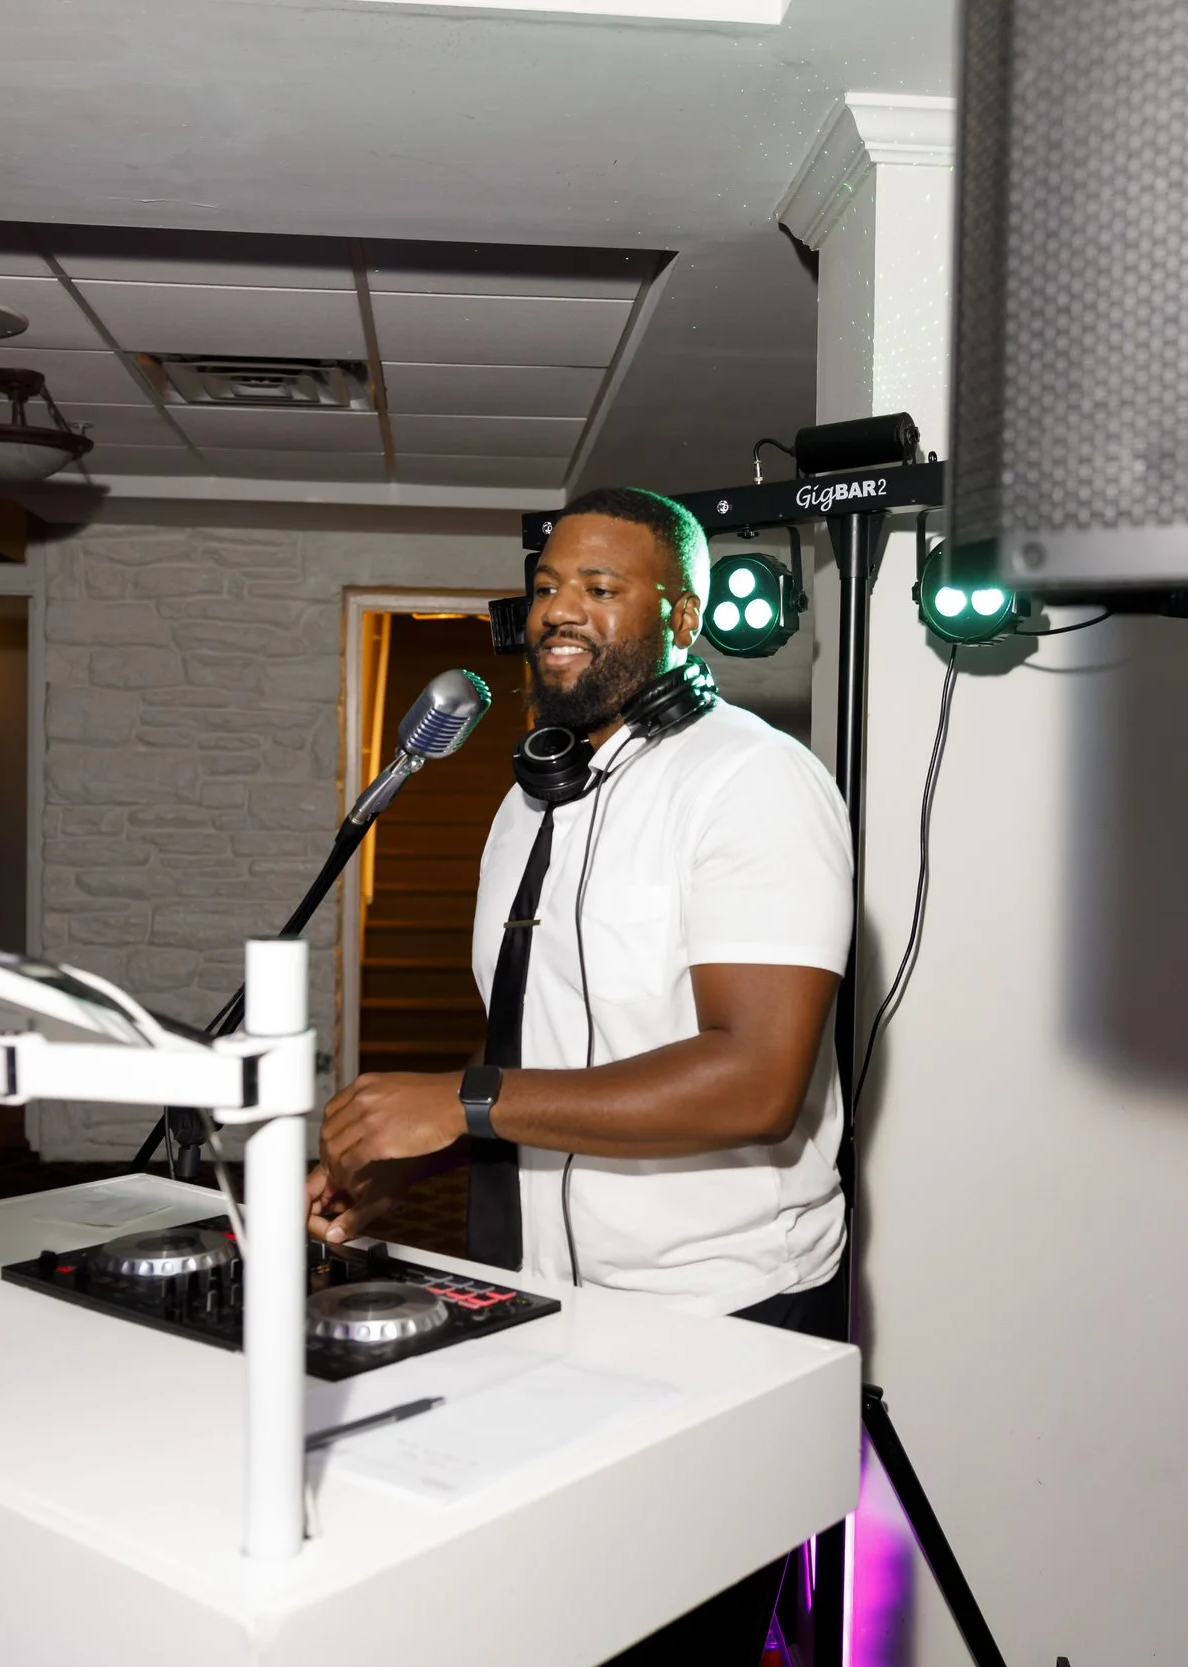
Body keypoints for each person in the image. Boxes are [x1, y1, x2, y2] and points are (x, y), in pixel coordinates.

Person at [307, 485, 852, 1664]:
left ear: (684, 616)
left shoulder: (754, 784)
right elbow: (538, 1055)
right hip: (547, 1297)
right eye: (550, 584)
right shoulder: (525, 798)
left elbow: (755, 1077)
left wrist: (456, 1102)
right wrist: (419, 1156)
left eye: (601, 587)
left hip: (718, 1307)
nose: (562, 609)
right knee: (554, 1624)